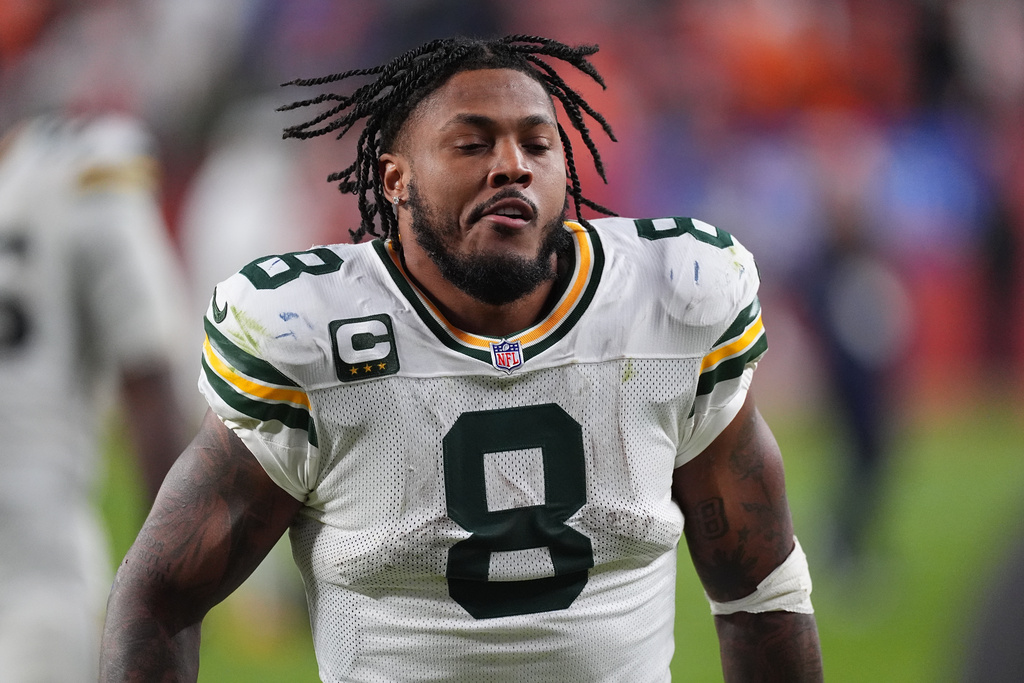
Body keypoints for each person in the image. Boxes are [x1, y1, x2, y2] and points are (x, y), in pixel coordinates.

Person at [100, 35, 823, 682]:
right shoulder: (309, 337)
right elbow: (159, 597)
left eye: (537, 146)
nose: (511, 166)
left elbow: (762, 590)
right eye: (472, 144)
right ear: (395, 180)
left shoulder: (673, 300)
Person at [0, 113, 189, 681]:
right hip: (35, 572)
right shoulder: (73, 178)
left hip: (33, 568)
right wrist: (167, 603)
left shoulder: (71, 174)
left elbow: (147, 378)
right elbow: (149, 379)